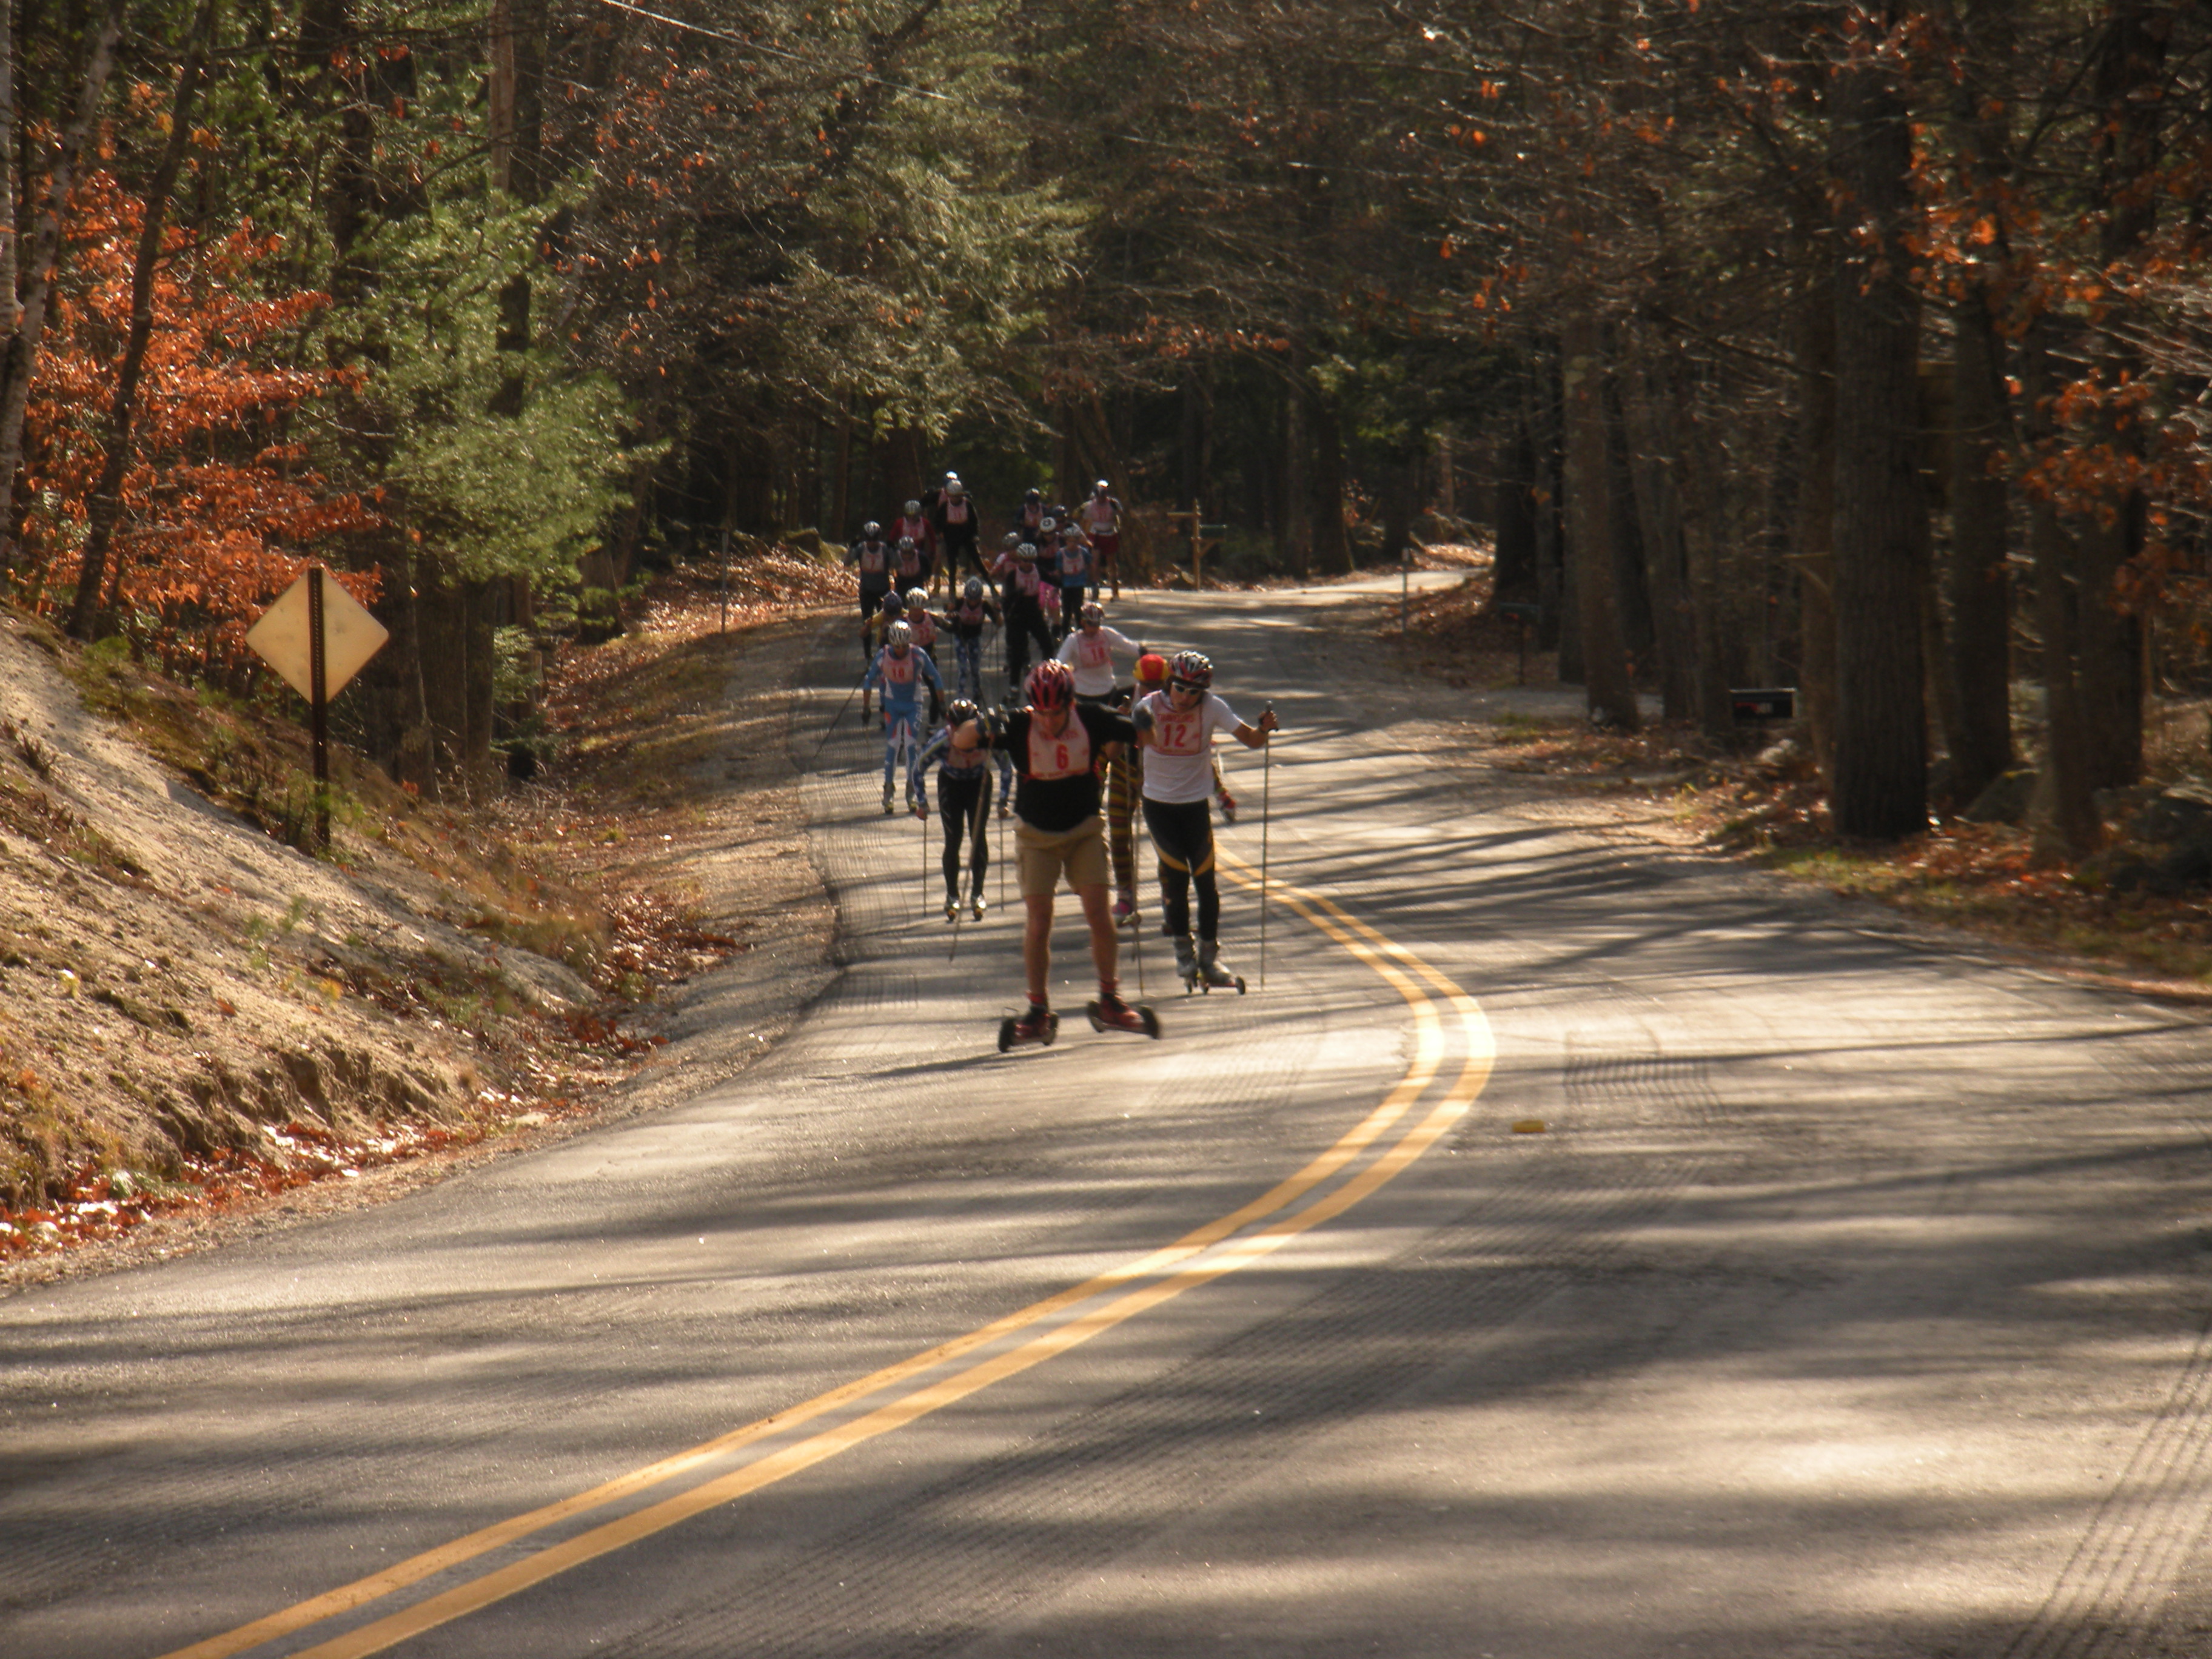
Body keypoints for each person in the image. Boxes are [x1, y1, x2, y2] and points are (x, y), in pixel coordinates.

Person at [999, 659, 1148, 1042]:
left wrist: (1143, 725)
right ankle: (1037, 1012)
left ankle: (1110, 1001)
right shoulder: (1019, 724)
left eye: (1058, 712)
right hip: (1036, 836)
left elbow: (1140, 734)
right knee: (1040, 919)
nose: (1049, 722)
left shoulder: (1092, 718)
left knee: (1099, 911)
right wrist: (974, 727)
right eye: (1043, 713)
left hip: (1083, 830)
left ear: (1071, 704)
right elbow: (965, 739)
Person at [1133, 649, 1278, 990]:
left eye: (1193, 692)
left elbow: (1250, 740)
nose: (1185, 698)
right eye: (1180, 689)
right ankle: (1185, 956)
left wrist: (1264, 728)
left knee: (1207, 885)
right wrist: (1136, 723)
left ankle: (1209, 960)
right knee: (1178, 881)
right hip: (1159, 804)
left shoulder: (1212, 707)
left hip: (1194, 805)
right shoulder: (1150, 705)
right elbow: (1139, 738)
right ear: (1170, 683)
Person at [908, 698, 1014, 920]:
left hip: (979, 784)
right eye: (957, 726)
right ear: (950, 725)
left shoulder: (987, 738)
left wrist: (1003, 801)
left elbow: (1007, 766)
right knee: (953, 838)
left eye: (967, 726)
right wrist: (922, 802)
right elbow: (919, 767)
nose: (961, 732)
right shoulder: (943, 740)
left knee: (978, 837)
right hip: (951, 785)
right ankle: (952, 895)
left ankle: (977, 893)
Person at [1105, 650, 1168, 928]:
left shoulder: (1173, 701)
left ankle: (1171, 900)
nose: (1151, 693)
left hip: (1159, 776)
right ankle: (1126, 895)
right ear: (1136, 682)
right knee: (1119, 835)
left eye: (1157, 688)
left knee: (1164, 840)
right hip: (1123, 772)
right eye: (1147, 688)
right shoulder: (1120, 697)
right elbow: (1106, 747)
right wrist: (1120, 721)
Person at [862, 620, 943, 814]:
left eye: (904, 647)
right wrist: (866, 707)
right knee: (892, 746)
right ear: (891, 644)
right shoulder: (883, 655)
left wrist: (942, 704)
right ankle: (888, 791)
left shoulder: (917, 655)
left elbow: (936, 677)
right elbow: (868, 680)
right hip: (892, 703)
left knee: (910, 745)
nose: (900, 651)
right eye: (897, 647)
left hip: (913, 703)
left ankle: (911, 791)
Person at [993, 540, 1057, 696]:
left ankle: (1048, 677)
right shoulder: (1013, 575)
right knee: (1018, 651)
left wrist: (1062, 581)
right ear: (1019, 560)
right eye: (1024, 560)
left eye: (1031, 560)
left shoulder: (1037, 571)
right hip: (1017, 614)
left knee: (1047, 644)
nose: (1028, 564)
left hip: (1033, 612)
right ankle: (1014, 685)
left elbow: (1053, 581)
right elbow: (1007, 598)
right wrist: (1017, 593)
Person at [1054, 600, 1143, 706]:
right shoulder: (1073, 640)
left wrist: (1144, 653)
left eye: (1097, 624)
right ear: (1082, 622)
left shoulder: (1106, 633)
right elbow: (1060, 661)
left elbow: (1127, 645)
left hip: (1107, 689)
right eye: (1090, 624)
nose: (1093, 628)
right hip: (1082, 692)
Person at [843, 521, 893, 665]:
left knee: (885, 621)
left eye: (875, 539)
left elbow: (897, 564)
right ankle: (867, 655)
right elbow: (847, 563)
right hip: (867, 590)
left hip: (884, 590)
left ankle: (885, 651)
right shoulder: (861, 549)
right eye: (869, 539)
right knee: (868, 622)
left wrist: (894, 550)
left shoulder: (884, 550)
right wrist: (850, 549)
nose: (872, 543)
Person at [945, 575, 1002, 702]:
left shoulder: (984, 605)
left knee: (975, 668)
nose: (972, 602)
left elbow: (999, 623)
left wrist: (998, 612)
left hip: (975, 638)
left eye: (976, 599)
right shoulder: (960, 603)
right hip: (961, 638)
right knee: (963, 668)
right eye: (970, 598)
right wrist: (951, 613)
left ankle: (977, 694)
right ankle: (960, 696)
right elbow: (947, 617)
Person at [1079, 480, 1125, 601]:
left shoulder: (1113, 504)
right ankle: (1095, 591)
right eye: (1099, 496)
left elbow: (1120, 517)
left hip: (1110, 534)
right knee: (1095, 563)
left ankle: (1115, 592)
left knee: (1112, 564)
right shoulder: (1089, 506)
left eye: (1103, 496)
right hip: (1096, 535)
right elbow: (1084, 520)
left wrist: (1119, 529)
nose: (1101, 499)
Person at [931, 477, 982, 588]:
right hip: (951, 536)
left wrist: (975, 534)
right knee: (948, 561)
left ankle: (980, 580)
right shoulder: (945, 505)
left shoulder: (967, 504)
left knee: (976, 557)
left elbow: (974, 520)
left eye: (958, 496)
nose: (956, 499)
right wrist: (939, 533)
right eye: (953, 496)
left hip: (966, 534)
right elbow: (937, 521)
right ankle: (947, 588)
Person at [1054, 525, 1095, 637]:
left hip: (1079, 584)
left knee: (1078, 610)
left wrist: (1093, 581)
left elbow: (1091, 565)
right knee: (1067, 612)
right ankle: (1065, 634)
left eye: (1075, 541)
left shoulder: (1083, 552)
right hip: (1066, 585)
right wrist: (1056, 586)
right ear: (1066, 541)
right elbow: (1059, 571)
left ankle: (1082, 633)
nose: (1073, 544)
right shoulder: (1061, 554)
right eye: (1070, 541)